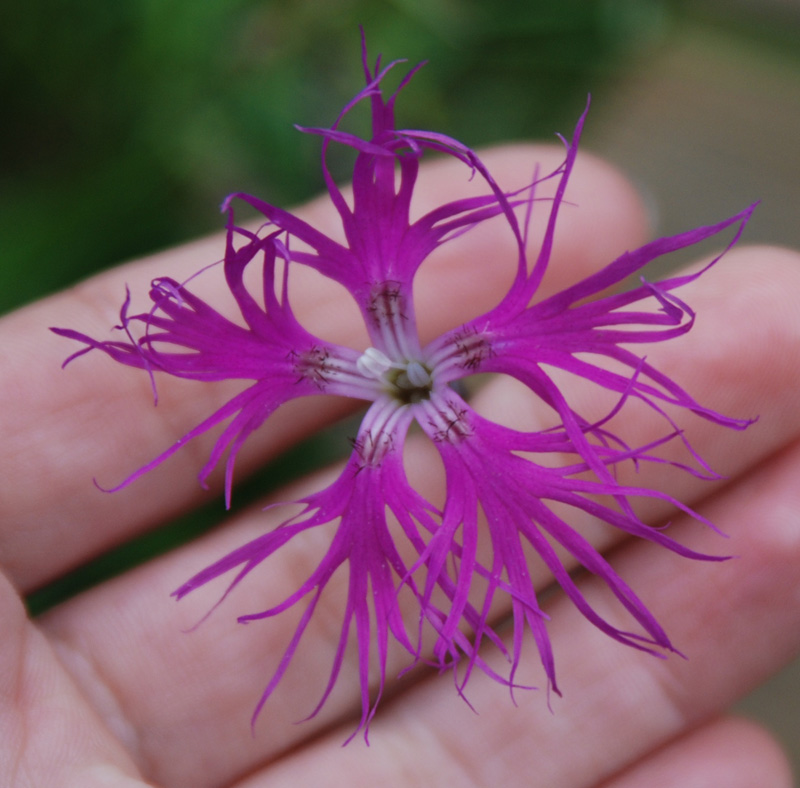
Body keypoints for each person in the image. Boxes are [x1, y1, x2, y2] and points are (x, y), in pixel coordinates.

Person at [1, 144, 796, 787]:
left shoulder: (424, 377)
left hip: (434, 401)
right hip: (411, 413)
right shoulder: (385, 403)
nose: (407, 377)